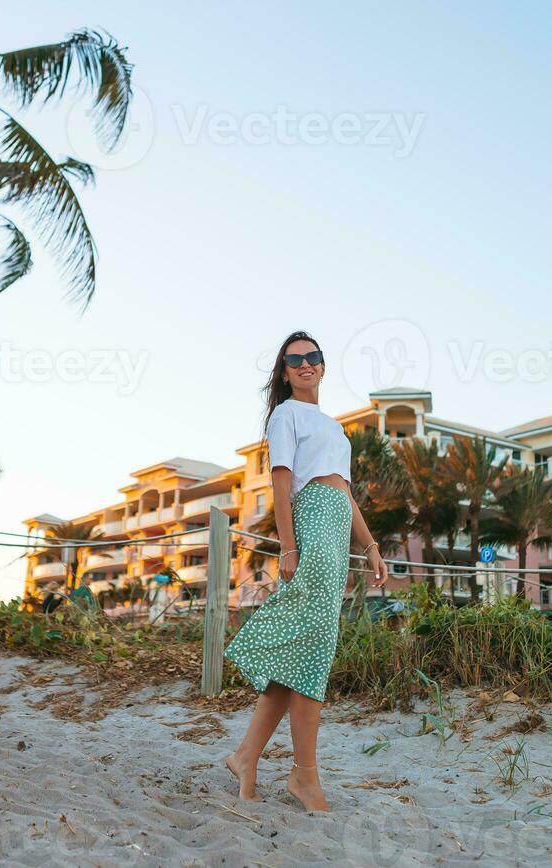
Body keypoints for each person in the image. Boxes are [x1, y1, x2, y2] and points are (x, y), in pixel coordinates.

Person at [223, 330, 388, 812]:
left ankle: (246, 756)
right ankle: (305, 776)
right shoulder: (285, 414)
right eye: (294, 359)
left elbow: (347, 493)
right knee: (314, 649)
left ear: (323, 365)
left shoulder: (334, 427)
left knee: (307, 650)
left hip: (338, 524)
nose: (305, 364)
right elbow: (280, 481)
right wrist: (288, 547)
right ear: (284, 371)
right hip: (312, 520)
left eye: (312, 357)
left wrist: (372, 545)